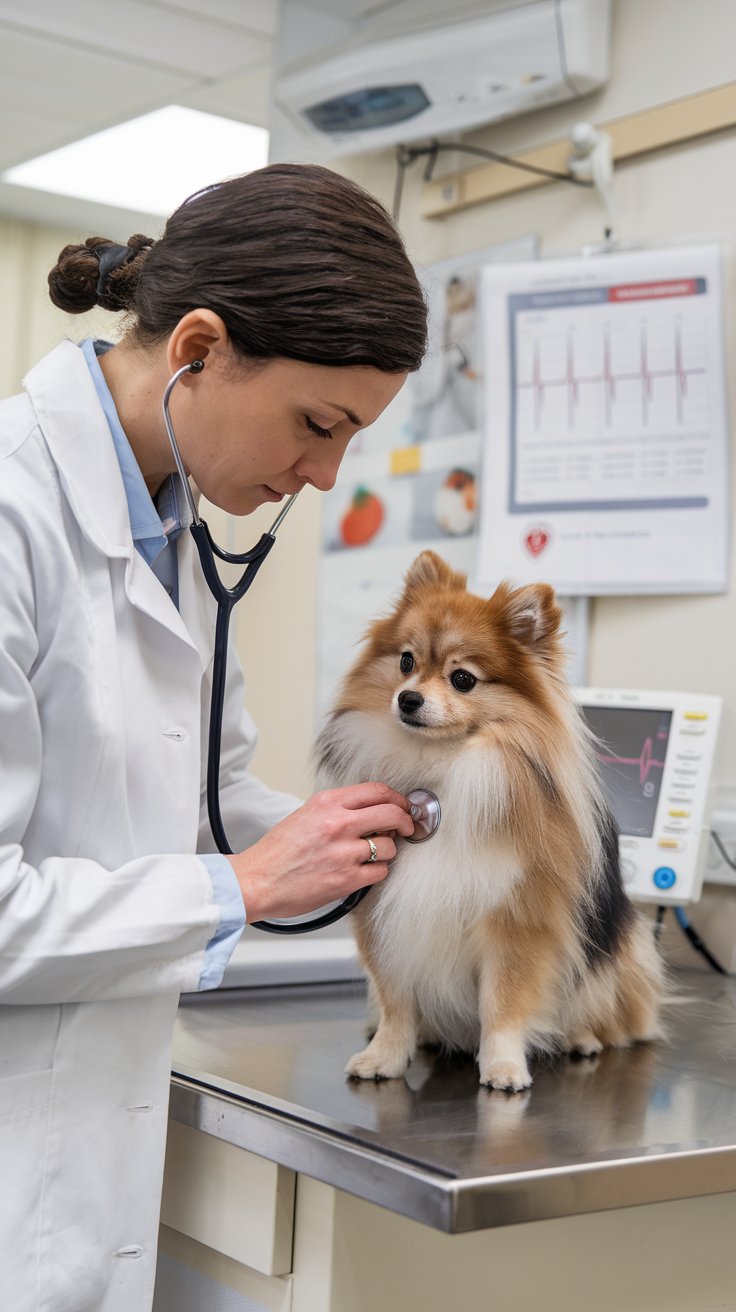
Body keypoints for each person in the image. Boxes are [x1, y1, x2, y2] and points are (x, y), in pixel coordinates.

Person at [0, 163, 428, 1312]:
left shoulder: (174, 519)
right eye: (316, 423)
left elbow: (197, 788)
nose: (326, 473)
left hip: (81, 1133)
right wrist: (239, 883)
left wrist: (365, 835)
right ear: (195, 346)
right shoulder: (11, 514)